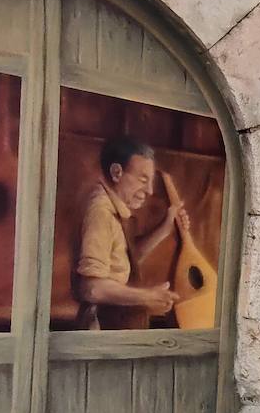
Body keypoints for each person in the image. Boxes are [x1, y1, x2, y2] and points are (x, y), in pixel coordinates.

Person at [75, 137, 189, 330]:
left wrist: (165, 228)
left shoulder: (114, 210)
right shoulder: (100, 212)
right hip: (103, 328)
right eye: (143, 180)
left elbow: (127, 258)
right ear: (116, 172)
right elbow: (91, 288)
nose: (150, 190)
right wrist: (149, 296)